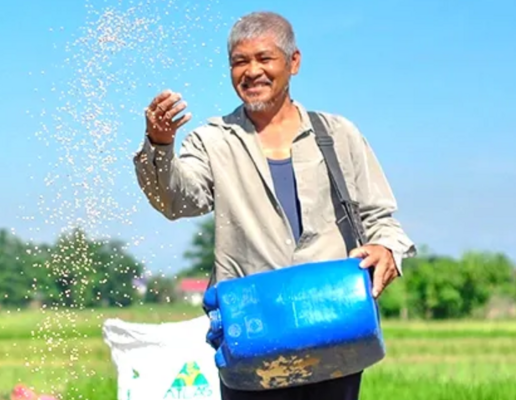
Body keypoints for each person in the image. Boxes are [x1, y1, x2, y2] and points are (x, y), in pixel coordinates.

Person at [132, 10, 416, 400]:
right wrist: (160, 144)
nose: (251, 72)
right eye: (239, 62)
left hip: (332, 331)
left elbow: (379, 217)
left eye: (264, 59)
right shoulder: (213, 140)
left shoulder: (336, 134)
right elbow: (176, 199)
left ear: (293, 62)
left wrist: (385, 249)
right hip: (251, 339)